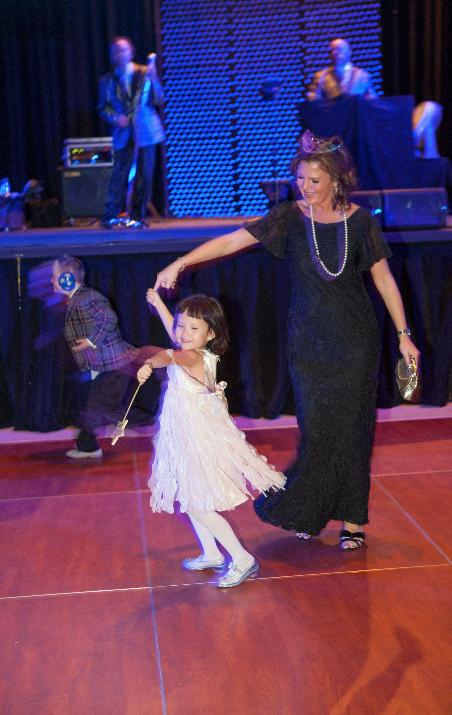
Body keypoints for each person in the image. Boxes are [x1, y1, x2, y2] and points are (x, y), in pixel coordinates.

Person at [152, 130, 420, 551]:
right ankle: (307, 511)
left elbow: (384, 280)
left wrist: (404, 336)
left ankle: (352, 521)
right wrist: (181, 262)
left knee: (353, 430)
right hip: (308, 344)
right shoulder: (289, 217)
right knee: (315, 429)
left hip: (355, 342)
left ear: (336, 180)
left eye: (314, 181)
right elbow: (233, 240)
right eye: (301, 180)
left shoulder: (362, 222)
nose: (306, 188)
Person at [136, 291, 285, 587]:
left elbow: (168, 354)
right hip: (186, 439)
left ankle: (242, 559)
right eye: (181, 326)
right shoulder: (192, 348)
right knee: (192, 499)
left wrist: (149, 363)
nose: (183, 333)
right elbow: (174, 337)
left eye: (193, 328)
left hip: (198, 441)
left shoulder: (192, 357)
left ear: (210, 334)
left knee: (197, 503)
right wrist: (161, 306)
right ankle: (212, 554)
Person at [52, 255, 152, 458]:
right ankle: (87, 446)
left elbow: (109, 317)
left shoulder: (87, 297)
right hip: (106, 366)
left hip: (116, 366)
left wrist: (90, 341)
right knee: (95, 409)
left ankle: (155, 420)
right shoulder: (77, 299)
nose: (51, 281)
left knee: (105, 410)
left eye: (55, 277)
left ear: (67, 279)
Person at [307, 38, 443, 159]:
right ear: (330, 54)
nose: (337, 52)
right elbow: (314, 101)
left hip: (361, 124)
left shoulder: (362, 75)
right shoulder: (321, 77)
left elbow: (373, 102)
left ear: (349, 52)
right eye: (334, 50)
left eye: (340, 49)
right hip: (336, 125)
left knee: (427, 109)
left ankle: (409, 141)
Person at [98, 36, 165, 228]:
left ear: (131, 52)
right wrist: (114, 118)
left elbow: (159, 99)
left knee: (144, 174)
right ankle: (111, 215)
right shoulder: (108, 81)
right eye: (117, 51)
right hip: (123, 133)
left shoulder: (145, 73)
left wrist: (154, 78)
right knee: (119, 174)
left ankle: (138, 216)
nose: (121, 54)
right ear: (112, 56)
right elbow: (104, 108)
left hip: (146, 131)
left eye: (124, 50)